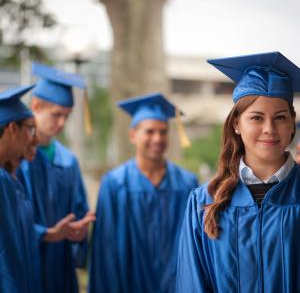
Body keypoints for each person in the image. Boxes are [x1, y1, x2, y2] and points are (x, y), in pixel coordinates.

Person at [176, 51, 300, 292]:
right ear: (236, 124)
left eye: (280, 117)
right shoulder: (204, 202)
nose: (269, 129)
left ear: (292, 125)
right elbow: (193, 284)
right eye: (256, 118)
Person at [89, 92, 199, 293]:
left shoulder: (187, 184)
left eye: (163, 132)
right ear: (133, 135)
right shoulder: (114, 184)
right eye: (149, 131)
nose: (157, 138)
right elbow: (105, 253)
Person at [18, 62, 95, 293]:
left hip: (60, 267)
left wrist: (79, 232)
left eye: (67, 116)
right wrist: (46, 234)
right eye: (56, 115)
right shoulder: (16, 159)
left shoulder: (68, 161)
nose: (62, 123)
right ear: (35, 106)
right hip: (26, 264)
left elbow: (79, 210)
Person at [0, 84, 42, 292]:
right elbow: (6, 257)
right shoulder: (2, 181)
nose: (32, 138)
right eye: (30, 129)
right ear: (12, 129)